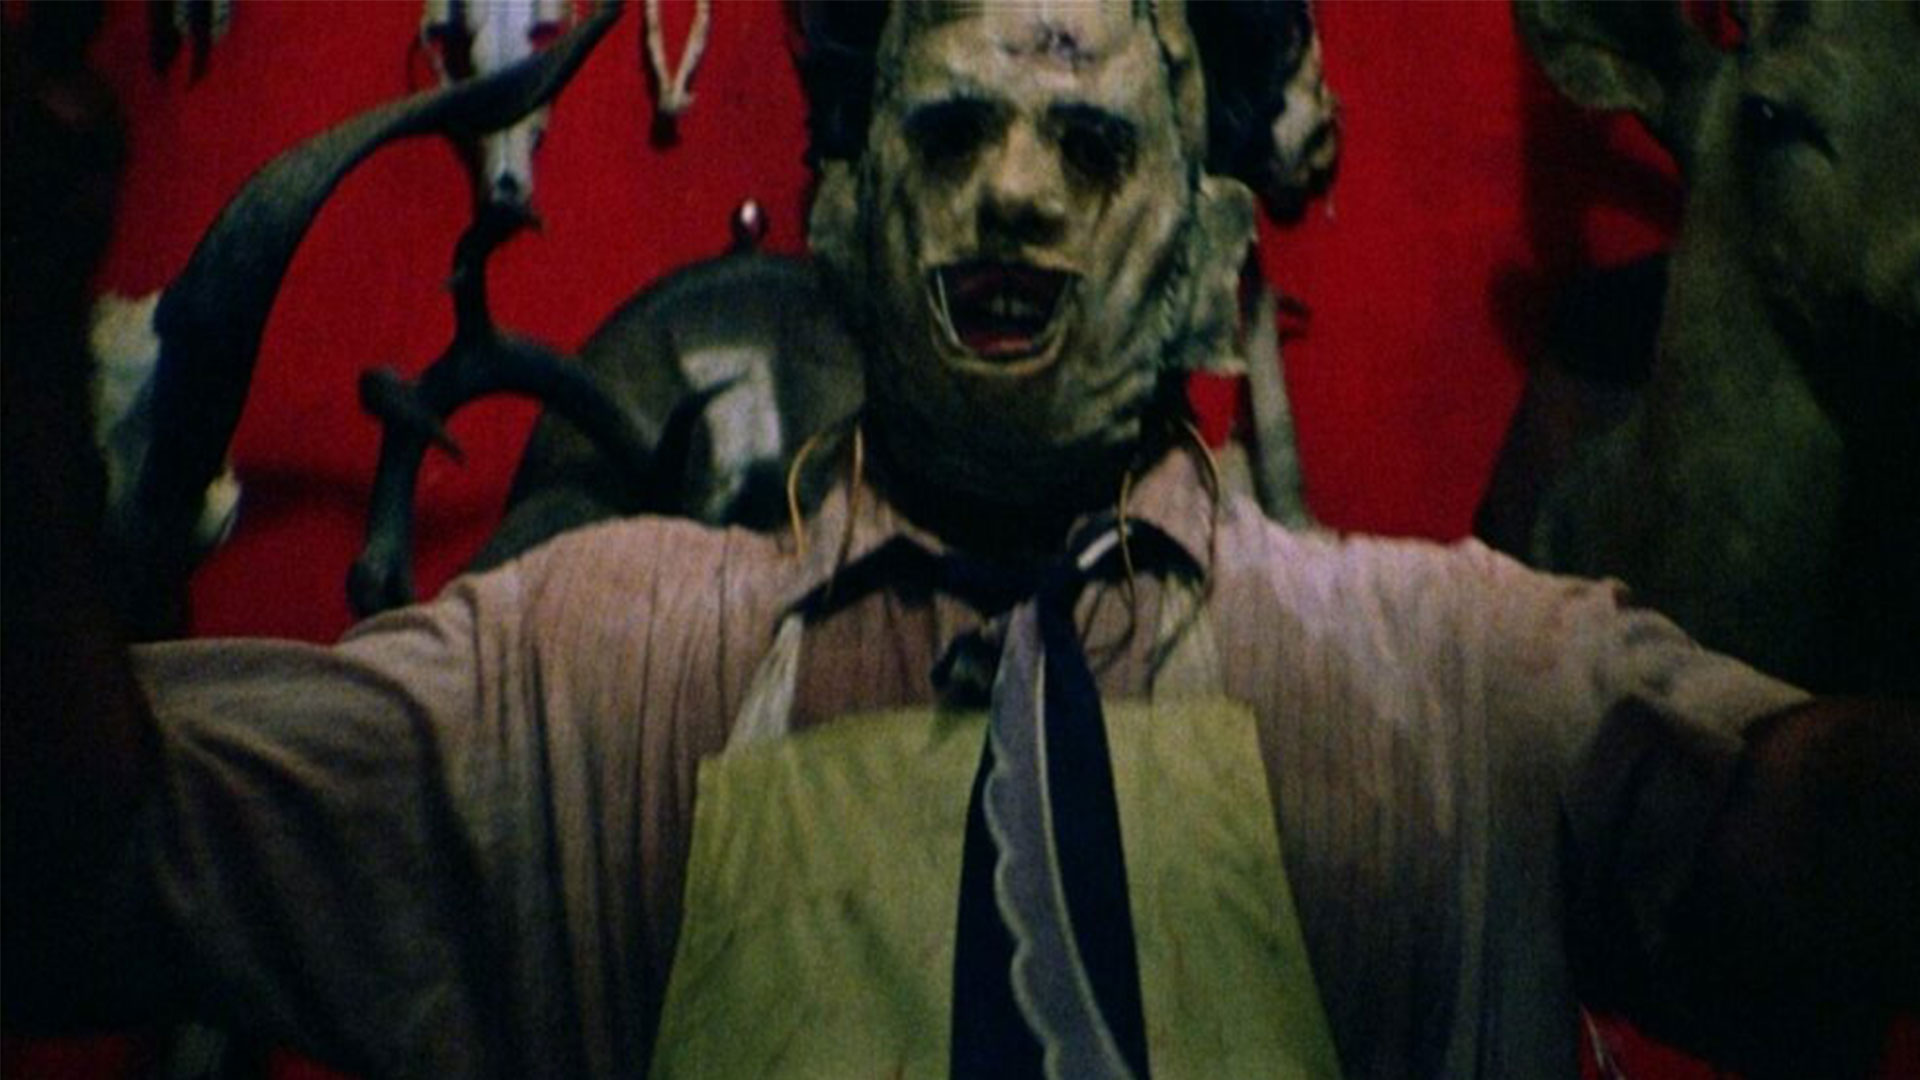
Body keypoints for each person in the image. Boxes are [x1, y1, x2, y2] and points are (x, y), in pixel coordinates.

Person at [3, 3, 1914, 1078]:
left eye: (1091, 146)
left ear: (1211, 252)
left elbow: (1811, 901)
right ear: (844, 216)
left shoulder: (1456, 680)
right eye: (948, 135)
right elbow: (81, 872)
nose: (1011, 189)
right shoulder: (587, 675)